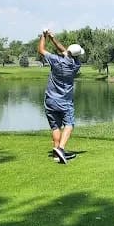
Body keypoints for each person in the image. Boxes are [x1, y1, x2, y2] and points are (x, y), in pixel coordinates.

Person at [38, 29, 84, 164]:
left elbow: (41, 49)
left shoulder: (55, 60)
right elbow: (65, 51)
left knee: (55, 126)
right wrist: (53, 38)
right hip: (65, 101)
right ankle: (61, 149)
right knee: (69, 124)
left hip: (50, 100)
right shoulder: (76, 64)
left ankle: (56, 152)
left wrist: (44, 36)